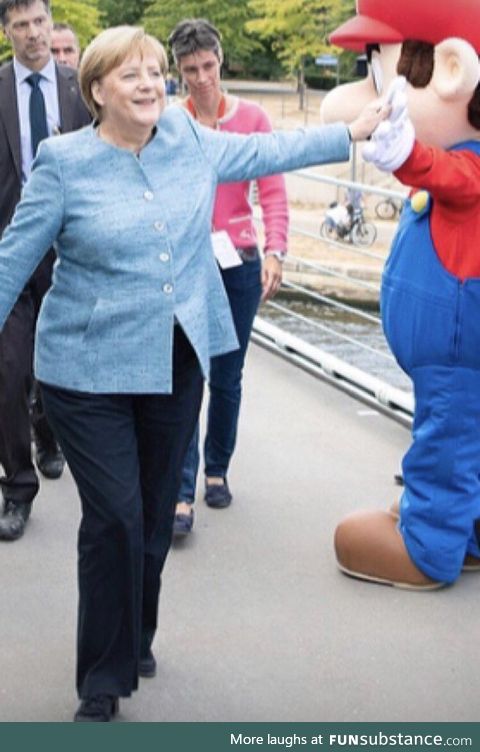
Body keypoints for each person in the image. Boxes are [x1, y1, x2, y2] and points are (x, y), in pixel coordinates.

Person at [0, 23, 386, 721]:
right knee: (113, 516)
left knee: (150, 518)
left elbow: (266, 148)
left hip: (176, 358)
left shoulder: (188, 140)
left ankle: (135, 632)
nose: (151, 84)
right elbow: (12, 259)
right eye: (131, 74)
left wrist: (351, 131)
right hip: (85, 372)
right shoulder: (63, 162)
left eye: (155, 72)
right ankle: (102, 677)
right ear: (96, 90)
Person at [321, 0, 480, 589]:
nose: (362, 91)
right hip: (451, 352)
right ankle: (466, 528)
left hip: (456, 355)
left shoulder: (467, 167)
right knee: (463, 436)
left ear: (452, 72)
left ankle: (430, 550)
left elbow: (446, 175)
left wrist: (407, 154)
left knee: (447, 434)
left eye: (377, 69)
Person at [168, 19, 289, 536]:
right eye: (190, 69)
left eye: (208, 66)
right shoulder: (171, 121)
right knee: (185, 376)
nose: (200, 78)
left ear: (221, 61)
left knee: (228, 375)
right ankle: (179, 490)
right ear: (178, 70)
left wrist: (276, 249)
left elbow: (274, 189)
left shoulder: (254, 119)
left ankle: (217, 467)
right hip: (188, 262)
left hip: (238, 258)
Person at [0, 0, 90, 543]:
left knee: (59, 366)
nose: (34, 35)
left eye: (40, 23)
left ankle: (47, 431)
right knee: (7, 371)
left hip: (70, 251)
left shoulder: (82, 87)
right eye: (21, 26)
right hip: (9, 251)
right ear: (6, 31)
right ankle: (15, 486)